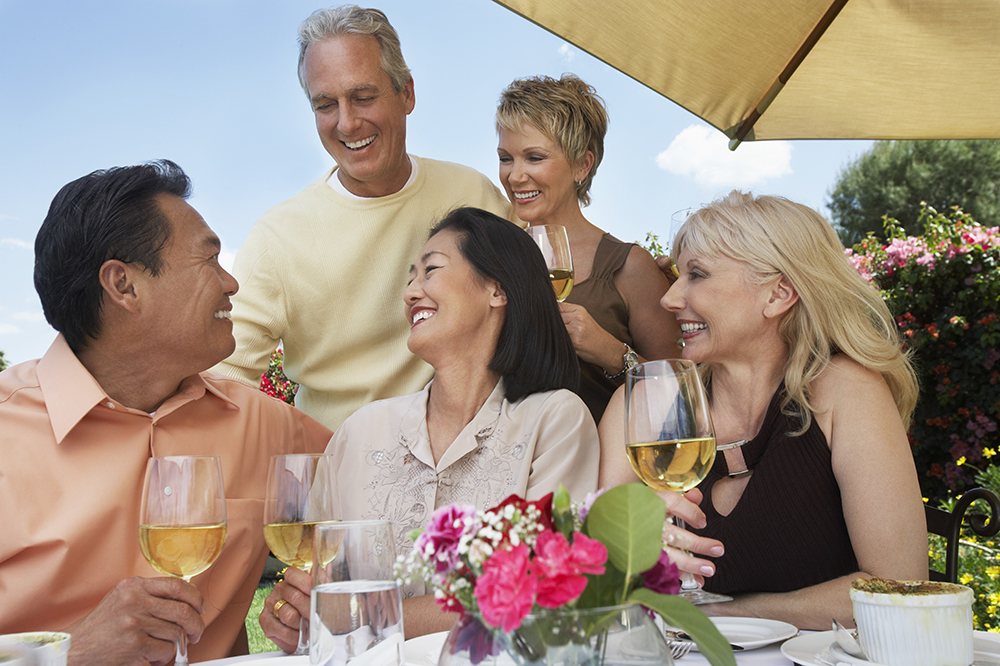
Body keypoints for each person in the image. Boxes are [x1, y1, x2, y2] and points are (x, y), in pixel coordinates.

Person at [0, 160, 333, 665]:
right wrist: (66, 653)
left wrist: (322, 595)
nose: (232, 284)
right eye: (210, 260)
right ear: (124, 285)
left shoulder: (266, 424)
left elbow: (392, 487)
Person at [260, 208, 601, 646]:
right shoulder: (361, 430)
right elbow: (319, 594)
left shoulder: (555, 420)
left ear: (497, 289)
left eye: (431, 270)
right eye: (410, 277)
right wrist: (297, 616)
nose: (410, 292)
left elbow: (535, 591)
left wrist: (361, 613)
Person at [599, 191, 927, 629]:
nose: (669, 298)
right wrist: (630, 556)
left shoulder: (846, 391)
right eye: (678, 275)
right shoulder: (647, 403)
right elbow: (596, 574)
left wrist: (724, 614)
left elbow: (899, 587)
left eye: (697, 275)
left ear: (778, 294)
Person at [213, 5, 515, 432]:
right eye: (325, 105)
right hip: (337, 474)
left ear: (406, 93)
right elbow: (224, 379)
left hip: (477, 455)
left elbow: (527, 311)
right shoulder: (277, 238)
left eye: (363, 97)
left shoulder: (474, 195)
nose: (348, 123)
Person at [495, 74, 681, 422]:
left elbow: (680, 396)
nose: (515, 176)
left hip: (602, 469)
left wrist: (612, 353)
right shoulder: (493, 259)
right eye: (506, 158)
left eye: (534, 157)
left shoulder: (630, 267)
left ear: (583, 164)